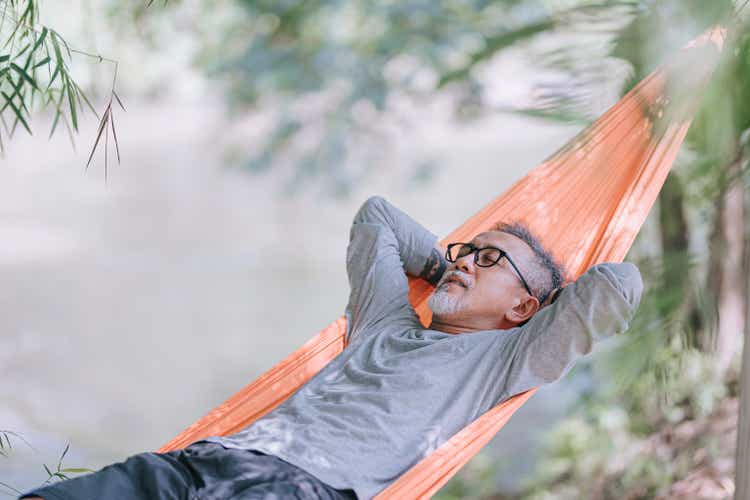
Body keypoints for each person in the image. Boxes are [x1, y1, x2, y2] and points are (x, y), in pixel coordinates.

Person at [21, 195, 643, 500]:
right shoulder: (385, 322)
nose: (465, 265)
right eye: (463, 252)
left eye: (489, 260)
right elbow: (378, 217)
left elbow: (618, 285)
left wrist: (529, 302)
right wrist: (451, 268)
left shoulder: (506, 360)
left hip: (297, 489)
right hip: (206, 460)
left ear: (524, 308)